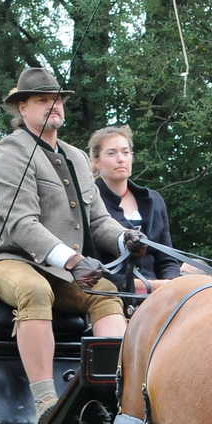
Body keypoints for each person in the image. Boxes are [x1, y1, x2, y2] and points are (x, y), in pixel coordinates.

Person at [0, 68, 130, 424]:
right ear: (22, 108)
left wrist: (126, 239)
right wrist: (73, 260)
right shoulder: (11, 152)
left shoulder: (74, 156)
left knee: (105, 291)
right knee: (35, 291)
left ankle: (118, 394)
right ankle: (44, 401)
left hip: (58, 265)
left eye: (57, 99)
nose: (53, 106)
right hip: (5, 256)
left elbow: (99, 221)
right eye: (42, 100)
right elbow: (22, 225)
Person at [88, 124, 181, 297]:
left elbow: (167, 260)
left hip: (161, 294)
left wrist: (172, 285)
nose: (120, 159)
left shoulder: (154, 200)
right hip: (112, 295)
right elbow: (91, 265)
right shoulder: (88, 202)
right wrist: (148, 286)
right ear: (96, 161)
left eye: (125, 152)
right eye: (111, 153)